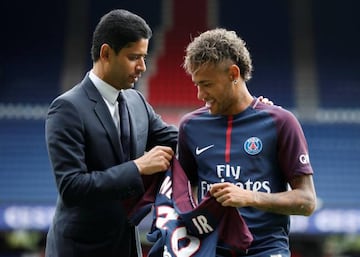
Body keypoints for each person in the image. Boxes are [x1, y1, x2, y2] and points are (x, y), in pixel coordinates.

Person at [44, 9, 178, 257]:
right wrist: (137, 168)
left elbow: (178, 141)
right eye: (133, 57)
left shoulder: (137, 101)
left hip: (126, 246)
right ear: (106, 53)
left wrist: (242, 115)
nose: (142, 67)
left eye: (144, 57)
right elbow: (72, 187)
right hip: (81, 249)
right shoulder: (67, 108)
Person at [178, 28, 317, 257]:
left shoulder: (280, 122)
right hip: (211, 249)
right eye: (197, 84)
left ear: (233, 74)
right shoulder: (190, 126)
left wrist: (250, 197)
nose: (200, 94)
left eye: (207, 84)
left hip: (266, 249)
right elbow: (183, 193)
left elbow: (307, 201)